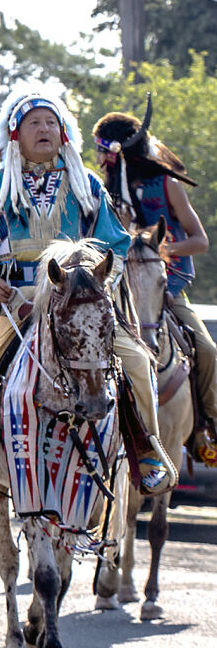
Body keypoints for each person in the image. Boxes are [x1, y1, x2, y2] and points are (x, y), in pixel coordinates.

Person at [0, 88, 173, 496]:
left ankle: (146, 449)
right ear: (15, 135)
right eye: (34, 123)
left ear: (64, 134)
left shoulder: (86, 186)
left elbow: (116, 246)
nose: (44, 129)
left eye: (51, 122)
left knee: (139, 363)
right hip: (10, 303)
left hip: (78, 302)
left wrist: (95, 286)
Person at [94, 101, 217, 458]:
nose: (99, 159)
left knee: (207, 349)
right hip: (120, 291)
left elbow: (201, 241)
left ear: (118, 152)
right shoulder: (105, 194)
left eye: (102, 150)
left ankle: (206, 427)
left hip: (167, 287)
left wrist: (158, 249)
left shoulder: (167, 185)